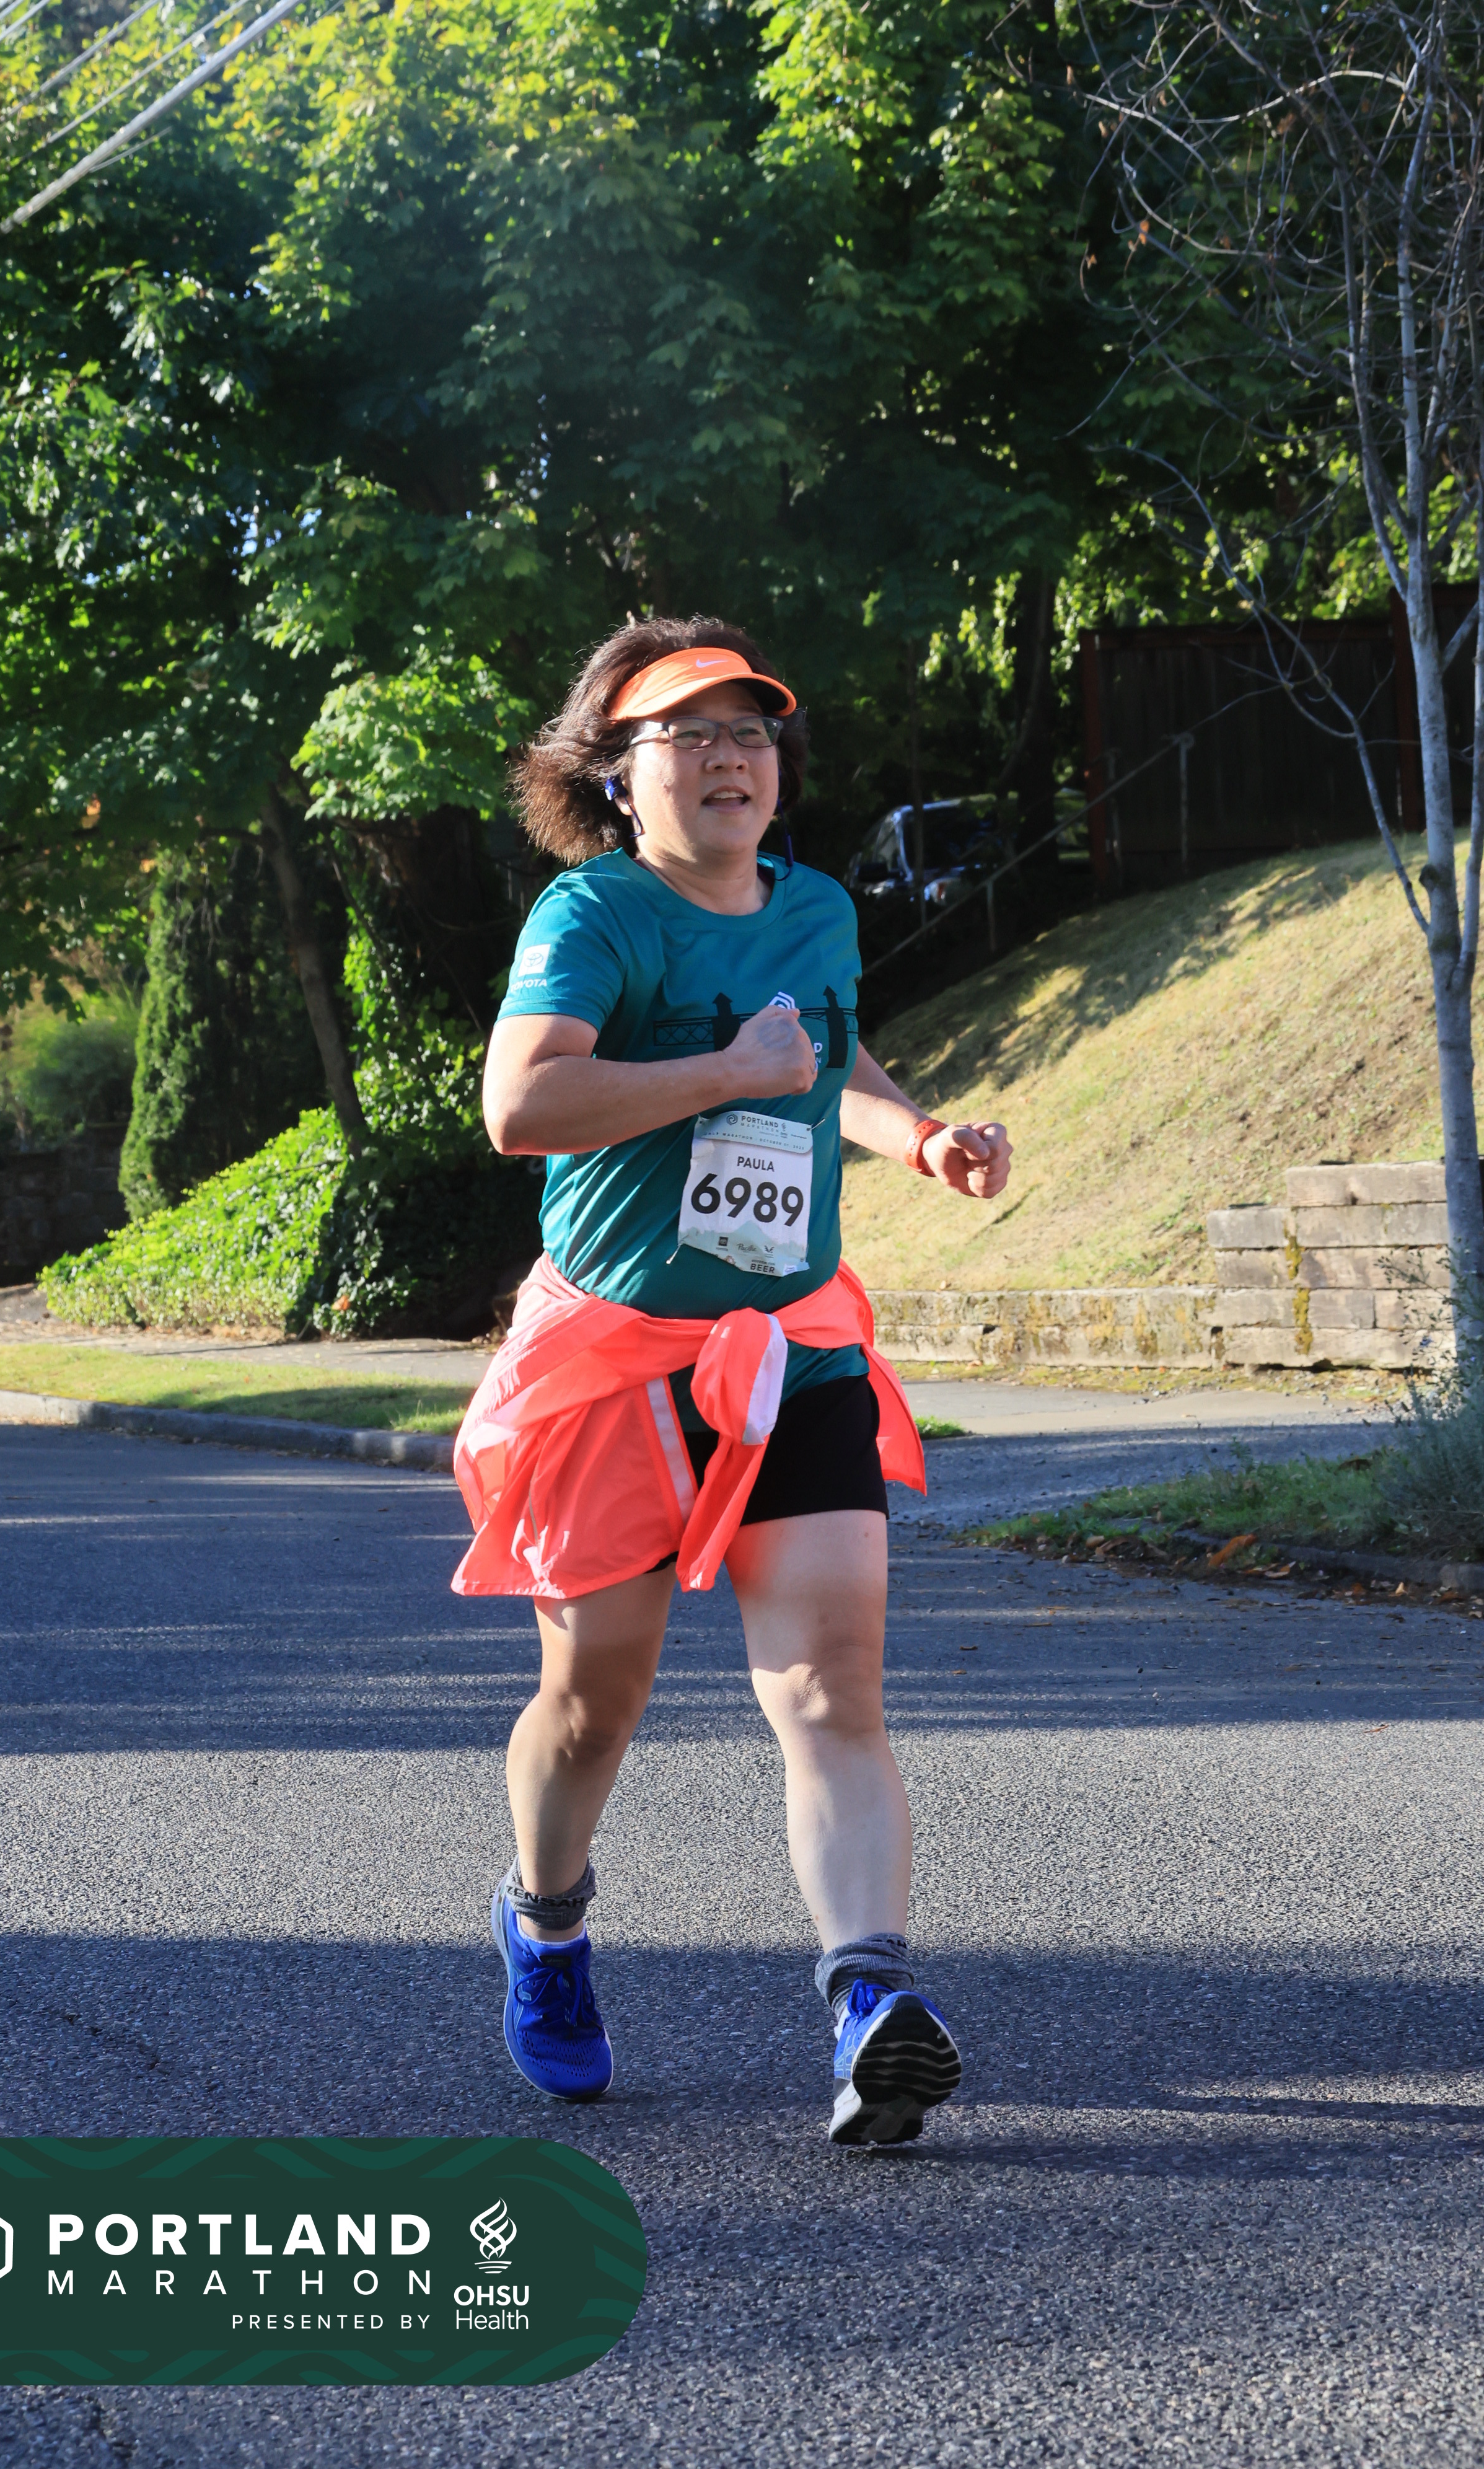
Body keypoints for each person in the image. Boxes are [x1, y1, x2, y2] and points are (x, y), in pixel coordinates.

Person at [452, 617, 1012, 2146]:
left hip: (791, 1348)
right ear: (614, 772)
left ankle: (868, 2001)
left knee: (831, 1683)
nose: (727, 758)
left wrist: (919, 1138)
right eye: (687, 734)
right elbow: (521, 1104)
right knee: (595, 1699)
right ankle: (545, 1922)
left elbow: (828, 1061)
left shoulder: (814, 906)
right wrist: (725, 1073)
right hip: (616, 1361)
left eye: (749, 732)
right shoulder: (595, 913)